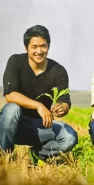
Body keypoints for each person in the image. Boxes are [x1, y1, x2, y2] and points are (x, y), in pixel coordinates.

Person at [0, 25, 78, 165]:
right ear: (26, 47)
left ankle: (36, 155)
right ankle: (5, 157)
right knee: (11, 110)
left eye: (43, 46)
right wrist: (38, 105)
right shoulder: (15, 61)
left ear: (48, 46)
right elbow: (10, 95)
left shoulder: (58, 71)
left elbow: (65, 101)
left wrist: (61, 108)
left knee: (69, 137)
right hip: (14, 125)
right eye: (34, 47)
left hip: (42, 127)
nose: (39, 51)